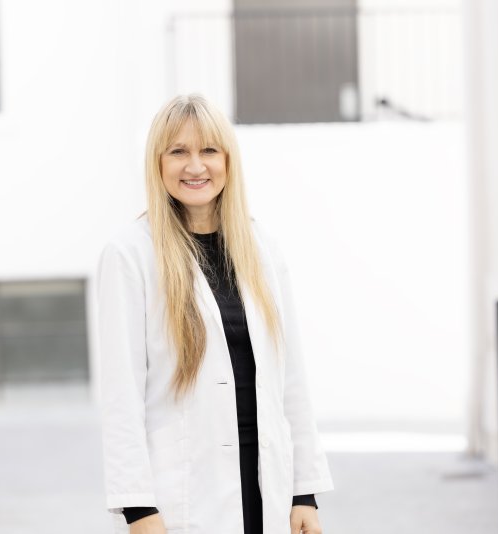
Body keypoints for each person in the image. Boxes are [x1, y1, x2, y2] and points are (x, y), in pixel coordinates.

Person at [96, 94, 333, 534]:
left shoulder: (260, 247)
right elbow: (120, 396)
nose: (195, 166)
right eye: (178, 152)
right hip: (183, 495)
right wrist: (137, 509)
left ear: (228, 160)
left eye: (208, 150)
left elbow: (291, 379)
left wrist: (305, 492)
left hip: (267, 488)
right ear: (158, 163)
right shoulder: (130, 254)